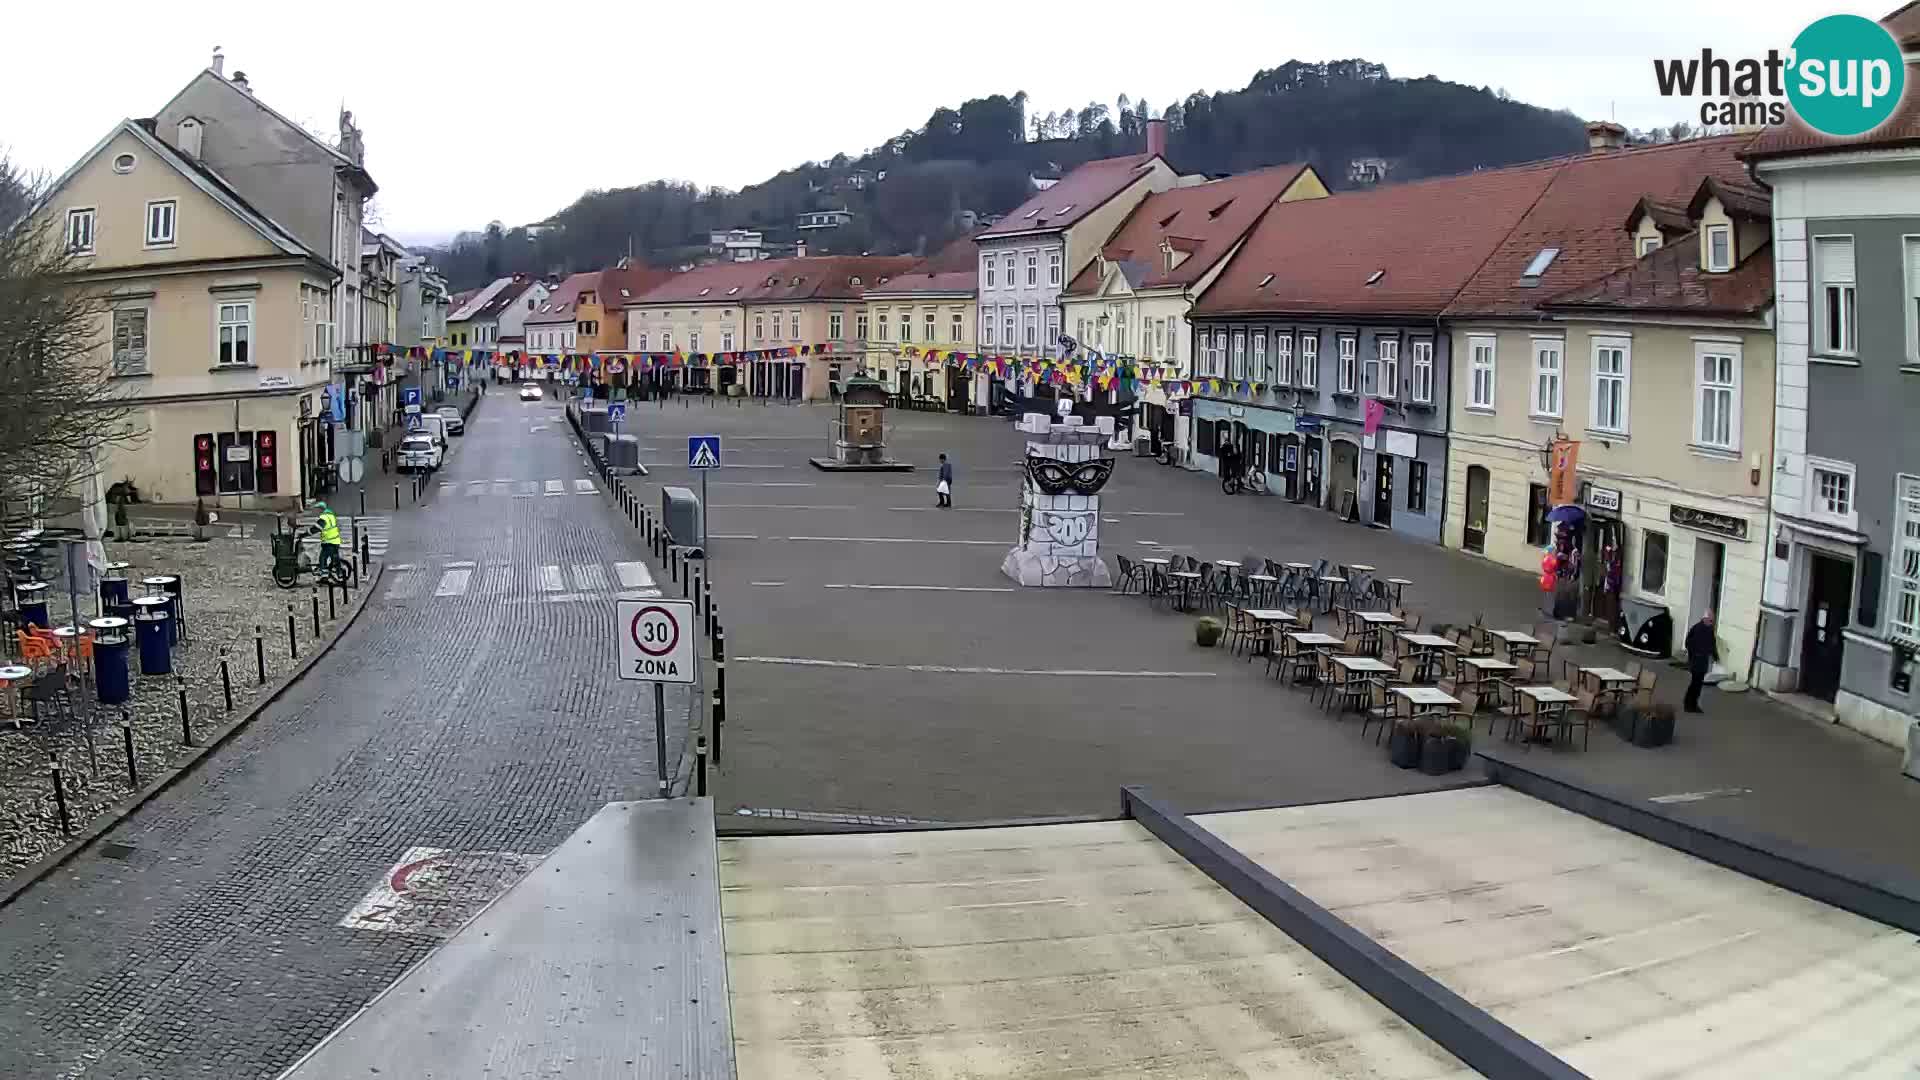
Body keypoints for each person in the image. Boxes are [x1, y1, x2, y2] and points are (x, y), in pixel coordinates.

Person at [1683, 609, 1717, 713]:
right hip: (1696, 661)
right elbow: (1688, 643)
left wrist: (1715, 656)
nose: (1712, 623)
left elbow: (1712, 644)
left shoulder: (1709, 630)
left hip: (1702, 661)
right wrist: (1694, 654)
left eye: (1712, 621)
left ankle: (1692, 704)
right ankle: (1689, 704)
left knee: (1697, 684)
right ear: (1705, 619)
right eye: (1710, 621)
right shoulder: (1697, 629)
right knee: (1695, 684)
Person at [312, 501, 342, 575]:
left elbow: (316, 528)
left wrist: (305, 534)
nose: (316, 511)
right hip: (335, 540)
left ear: (320, 509)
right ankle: (339, 573)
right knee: (334, 558)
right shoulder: (331, 515)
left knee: (323, 559)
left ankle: (325, 576)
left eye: (317, 509)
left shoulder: (324, 517)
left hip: (329, 542)